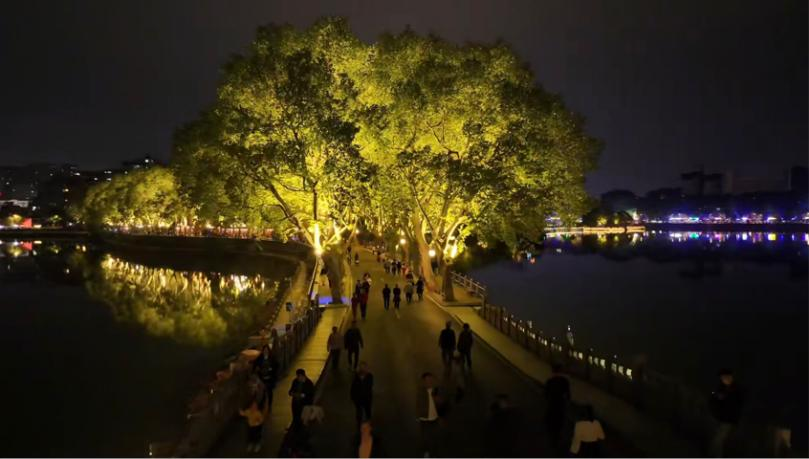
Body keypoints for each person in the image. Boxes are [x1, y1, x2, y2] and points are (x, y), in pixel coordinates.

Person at [709, 368, 744, 457]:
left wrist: (724, 398)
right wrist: (716, 396)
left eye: (726, 377)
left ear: (731, 377)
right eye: (723, 378)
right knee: (716, 440)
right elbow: (714, 395)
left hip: (728, 420)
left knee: (718, 441)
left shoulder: (736, 389)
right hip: (720, 417)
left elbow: (736, 403)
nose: (724, 380)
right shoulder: (721, 387)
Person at [545, 363, 571, 453]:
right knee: (560, 422)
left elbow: (546, 394)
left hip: (552, 405)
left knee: (551, 422)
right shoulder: (564, 381)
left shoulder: (549, 381)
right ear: (560, 371)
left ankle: (553, 440)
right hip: (560, 405)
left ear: (553, 371)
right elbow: (568, 395)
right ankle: (558, 438)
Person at [417, 372, 444, 457]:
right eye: (427, 380)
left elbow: (441, 403)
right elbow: (419, 404)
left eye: (431, 380)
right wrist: (419, 416)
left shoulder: (436, 391)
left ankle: (434, 453)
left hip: (435, 418)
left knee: (435, 437)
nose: (429, 382)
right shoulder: (421, 392)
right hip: (425, 419)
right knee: (426, 437)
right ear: (424, 382)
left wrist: (437, 399)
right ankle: (427, 452)